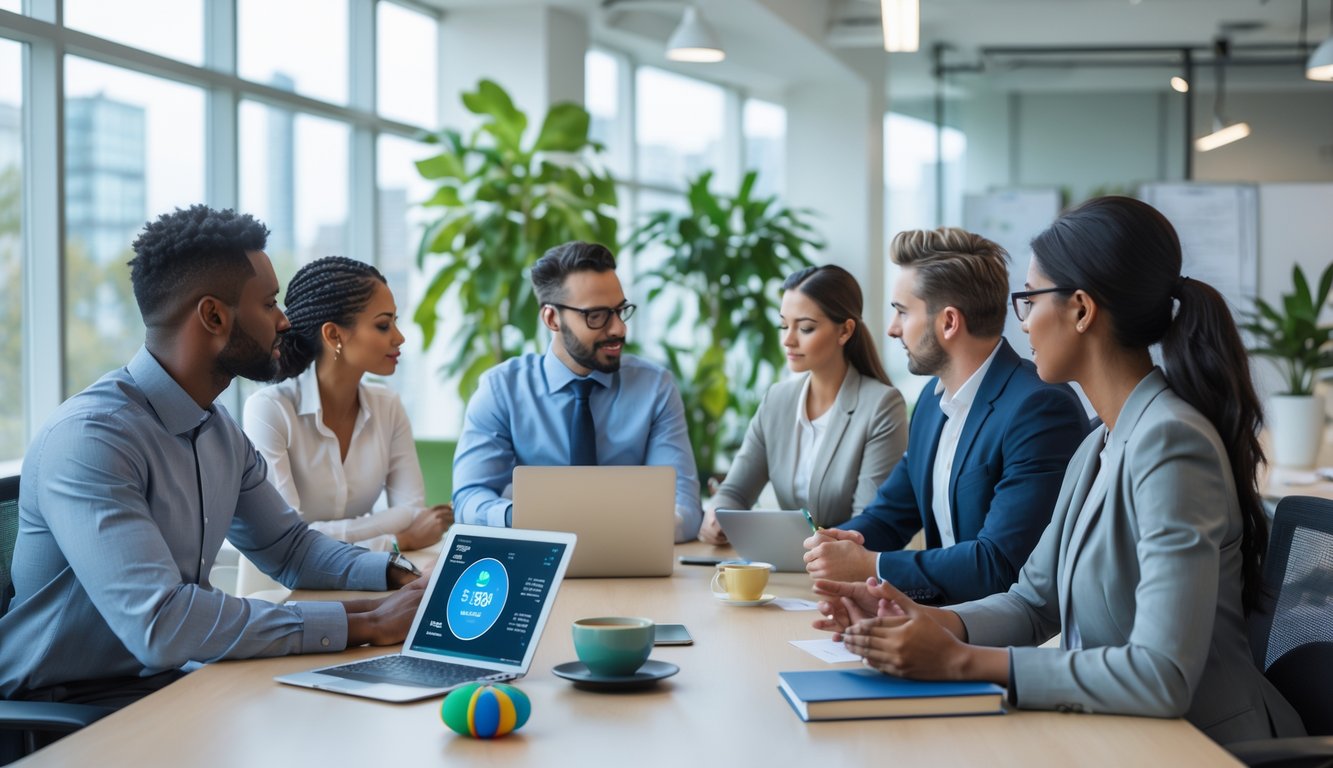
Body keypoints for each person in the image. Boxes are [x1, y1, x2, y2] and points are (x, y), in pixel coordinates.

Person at [814, 196, 1304, 744]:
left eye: (1029, 299)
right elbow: (1031, 603)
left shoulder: (1171, 443)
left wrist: (960, 660)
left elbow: (1161, 674)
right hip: (1114, 733)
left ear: (1081, 310)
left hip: (1200, 746)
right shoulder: (1098, 443)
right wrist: (919, 620)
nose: (1021, 322)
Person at [0, 206, 424, 711]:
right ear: (214, 317)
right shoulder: (92, 439)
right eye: (268, 303)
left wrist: (401, 576)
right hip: (63, 710)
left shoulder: (218, 429)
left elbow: (290, 550)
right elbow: (162, 623)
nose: (285, 321)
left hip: (165, 685)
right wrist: (366, 623)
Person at [803, 227, 1088, 605]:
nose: (891, 329)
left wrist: (871, 565)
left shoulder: (1040, 408)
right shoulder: (930, 402)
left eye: (902, 312)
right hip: (936, 624)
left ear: (949, 322)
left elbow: (999, 565)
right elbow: (889, 517)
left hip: (1001, 634)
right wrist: (835, 544)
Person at [452, 241, 703, 542]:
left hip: (628, 557)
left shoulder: (655, 388)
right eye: (596, 315)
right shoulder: (501, 391)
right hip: (537, 554)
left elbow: (685, 508)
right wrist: (528, 519)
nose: (618, 329)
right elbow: (469, 500)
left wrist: (605, 529)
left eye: (620, 311)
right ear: (552, 319)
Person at [244, 256, 452, 553]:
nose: (399, 337)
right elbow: (287, 537)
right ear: (333, 335)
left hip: (366, 572)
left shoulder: (388, 405)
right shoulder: (269, 410)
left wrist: (318, 533)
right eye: (383, 325)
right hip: (283, 579)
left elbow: (411, 512)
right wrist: (395, 541)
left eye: (395, 322)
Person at [699, 265, 908, 544]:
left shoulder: (881, 406)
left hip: (846, 566)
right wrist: (717, 514)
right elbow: (735, 492)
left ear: (845, 331)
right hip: (784, 562)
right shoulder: (777, 400)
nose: (788, 340)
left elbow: (871, 523)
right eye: (784, 325)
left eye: (805, 328)